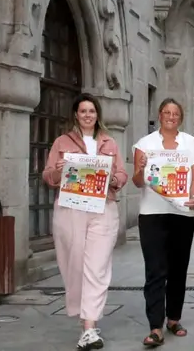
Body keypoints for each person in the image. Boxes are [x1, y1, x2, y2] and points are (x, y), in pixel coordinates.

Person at [42, 93, 128, 351]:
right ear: (76, 115)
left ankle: (89, 328)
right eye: (83, 111)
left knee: (97, 267)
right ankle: (84, 320)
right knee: (75, 264)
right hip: (70, 208)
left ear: (97, 115)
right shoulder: (61, 142)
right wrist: (62, 169)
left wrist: (112, 177)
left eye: (92, 111)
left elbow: (122, 175)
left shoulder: (109, 143)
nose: (88, 115)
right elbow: (47, 175)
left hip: (103, 209)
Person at [132, 99, 194, 348]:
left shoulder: (190, 143)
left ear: (180, 118)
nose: (171, 116)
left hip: (183, 213)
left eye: (175, 113)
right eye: (166, 112)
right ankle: (155, 326)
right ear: (159, 115)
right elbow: (138, 182)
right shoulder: (145, 144)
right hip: (152, 213)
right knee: (154, 269)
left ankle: (174, 318)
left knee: (178, 268)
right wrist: (140, 169)